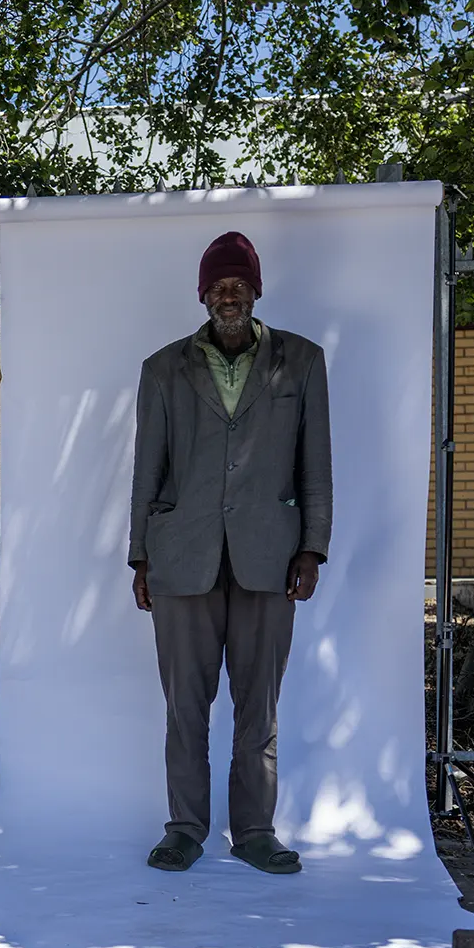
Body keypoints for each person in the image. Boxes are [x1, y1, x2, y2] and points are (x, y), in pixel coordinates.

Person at [127, 230, 332, 876]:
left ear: (256, 289)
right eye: (218, 284)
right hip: (181, 557)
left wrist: (313, 549)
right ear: (203, 294)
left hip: (270, 558)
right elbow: (146, 470)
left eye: (238, 282)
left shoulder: (300, 363)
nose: (228, 293)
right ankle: (185, 827)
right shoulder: (163, 369)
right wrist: (140, 558)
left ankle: (255, 831)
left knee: (258, 704)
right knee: (185, 706)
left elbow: (315, 465)